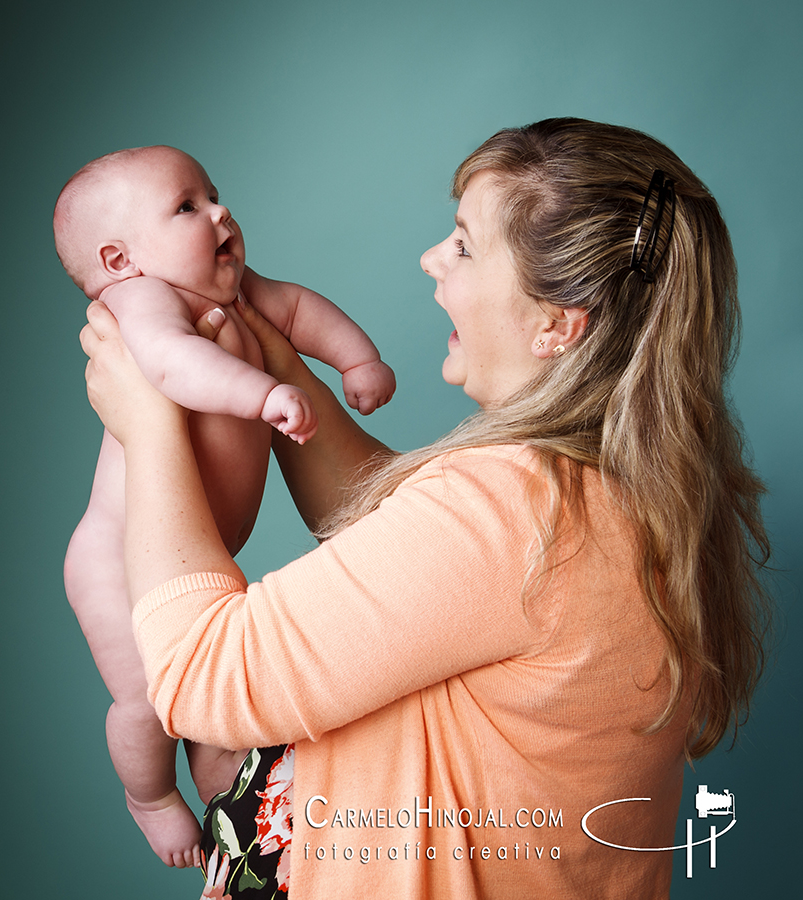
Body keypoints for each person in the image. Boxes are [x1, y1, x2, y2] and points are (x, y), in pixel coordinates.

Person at [79, 119, 771, 898]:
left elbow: (201, 675)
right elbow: (402, 545)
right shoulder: (598, 491)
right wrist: (271, 357)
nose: (432, 260)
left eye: (466, 246)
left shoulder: (517, 507)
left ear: (556, 324)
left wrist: (150, 421)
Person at [54, 145, 395, 868]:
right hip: (116, 564)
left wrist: (355, 359)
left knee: (211, 692)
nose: (219, 212)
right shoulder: (141, 301)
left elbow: (298, 309)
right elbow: (171, 365)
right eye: (187, 206)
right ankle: (148, 795)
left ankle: (224, 787)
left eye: (212, 194)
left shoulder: (231, 291)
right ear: (120, 260)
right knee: (148, 700)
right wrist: (262, 395)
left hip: (187, 555)